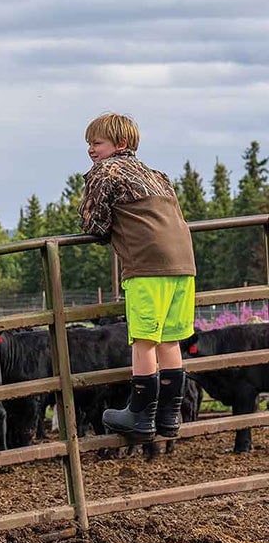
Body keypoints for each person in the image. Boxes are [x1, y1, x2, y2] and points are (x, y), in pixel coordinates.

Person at [78, 113, 196, 442]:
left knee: (143, 340)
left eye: (96, 143)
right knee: (169, 339)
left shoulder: (106, 171)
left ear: (120, 144)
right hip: (183, 263)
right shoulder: (157, 174)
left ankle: (141, 416)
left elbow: (94, 224)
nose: (90, 150)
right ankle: (169, 415)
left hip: (147, 265)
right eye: (88, 144)